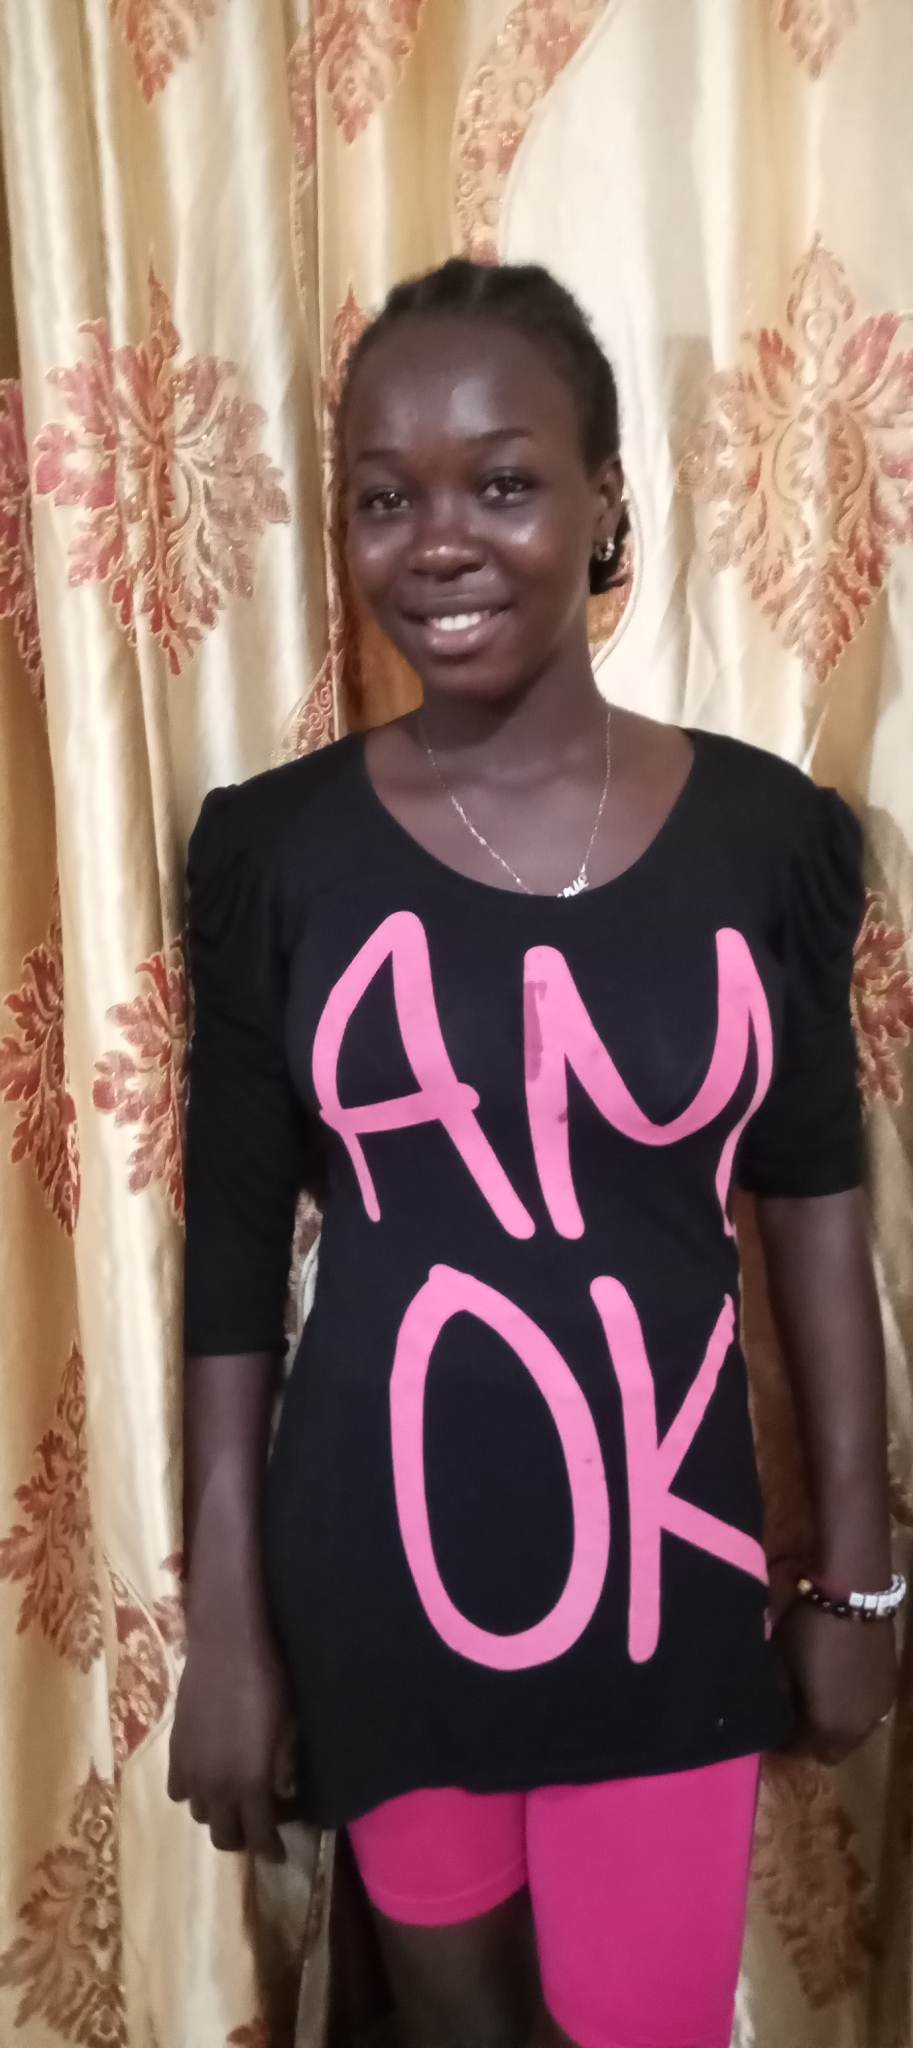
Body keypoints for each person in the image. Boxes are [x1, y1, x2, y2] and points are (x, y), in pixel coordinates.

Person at [169, 259, 900, 2048]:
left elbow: (815, 1210)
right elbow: (233, 1257)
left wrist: (857, 1579)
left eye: (501, 482)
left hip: (666, 1579)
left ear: (603, 503)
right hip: (379, 1575)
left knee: (642, 2026)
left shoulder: (765, 839)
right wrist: (228, 1629)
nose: (440, 541)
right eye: (384, 496)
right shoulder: (275, 855)